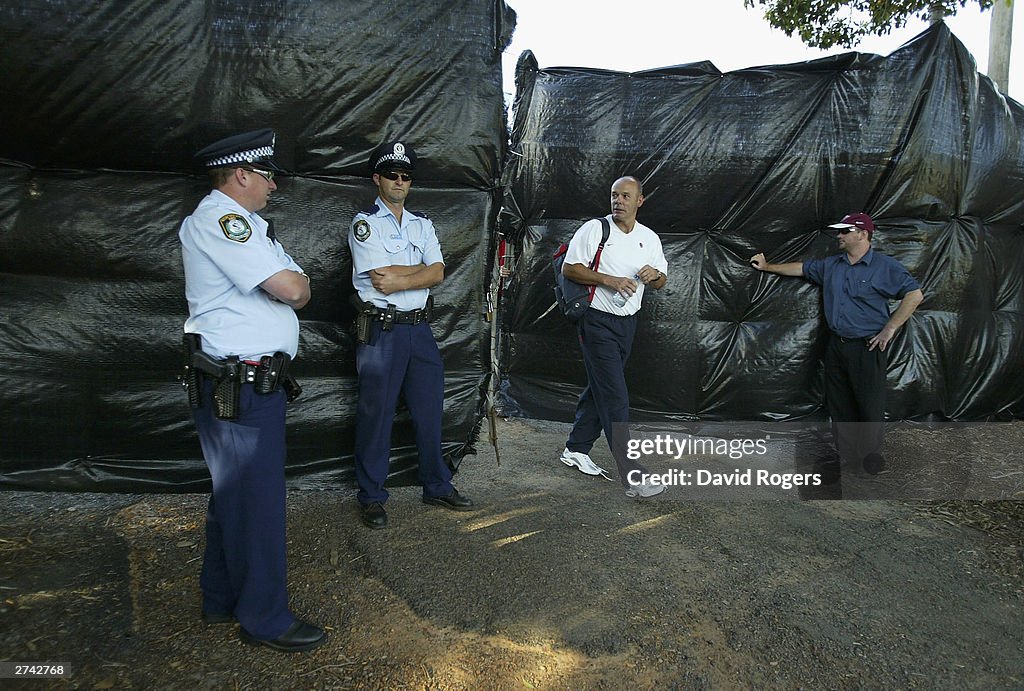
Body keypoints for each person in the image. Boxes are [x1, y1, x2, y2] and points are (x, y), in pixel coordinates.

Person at [179, 128, 325, 652]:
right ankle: (264, 618)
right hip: (238, 386)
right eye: (267, 176)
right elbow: (293, 288)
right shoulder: (223, 219)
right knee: (257, 504)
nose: (274, 187)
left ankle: (219, 598)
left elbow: (298, 283)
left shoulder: (250, 226)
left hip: (240, 383)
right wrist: (293, 284)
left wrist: (295, 282)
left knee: (234, 498)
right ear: (241, 173)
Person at [347, 140, 475, 529]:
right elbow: (380, 282)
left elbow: (438, 273)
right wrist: (417, 273)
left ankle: (436, 485)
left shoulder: (423, 224)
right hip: (382, 332)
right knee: (377, 416)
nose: (400, 182)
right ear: (377, 179)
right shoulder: (364, 223)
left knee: (428, 411)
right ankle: (371, 496)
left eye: (405, 176)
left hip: (419, 329)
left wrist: (407, 274)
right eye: (392, 175)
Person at [750, 212, 924, 475]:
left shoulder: (884, 266)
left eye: (845, 231)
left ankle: (870, 457)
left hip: (867, 346)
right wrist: (767, 266)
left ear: (863, 234)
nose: (839, 236)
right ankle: (847, 457)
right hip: (837, 345)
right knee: (840, 403)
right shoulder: (833, 265)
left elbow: (914, 294)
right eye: (839, 232)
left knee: (868, 402)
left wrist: (890, 328)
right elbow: (801, 268)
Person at [559, 176, 669, 498]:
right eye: (614, 195)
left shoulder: (649, 239)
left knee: (601, 388)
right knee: (616, 397)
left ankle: (576, 448)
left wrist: (656, 276)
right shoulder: (595, 230)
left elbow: (662, 280)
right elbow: (570, 268)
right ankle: (633, 475)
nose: (618, 201)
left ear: (639, 201)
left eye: (625, 196)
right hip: (596, 322)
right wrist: (609, 280)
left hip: (627, 323)